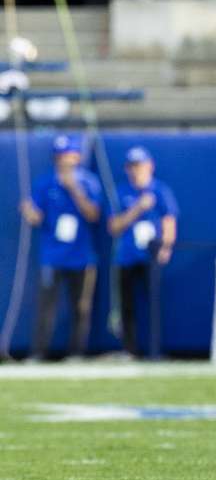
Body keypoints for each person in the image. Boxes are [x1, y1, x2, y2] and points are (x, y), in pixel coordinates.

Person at [19, 135, 103, 361]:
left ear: (76, 157)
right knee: (46, 307)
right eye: (59, 156)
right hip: (52, 256)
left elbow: (94, 215)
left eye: (67, 155)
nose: (63, 161)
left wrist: (74, 189)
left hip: (82, 257)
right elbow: (35, 217)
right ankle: (38, 352)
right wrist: (28, 211)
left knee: (81, 307)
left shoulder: (89, 182)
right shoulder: (44, 183)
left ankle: (76, 352)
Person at [108, 146, 178, 358]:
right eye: (131, 166)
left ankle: (157, 349)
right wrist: (138, 208)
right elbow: (113, 226)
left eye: (138, 165)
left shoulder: (160, 190)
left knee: (155, 305)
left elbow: (169, 221)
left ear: (149, 166)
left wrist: (166, 247)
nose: (134, 170)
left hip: (151, 256)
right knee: (127, 306)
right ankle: (130, 350)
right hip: (127, 256)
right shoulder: (121, 192)